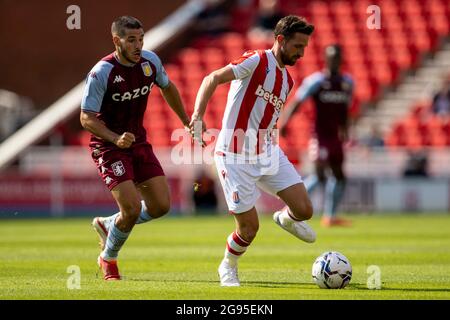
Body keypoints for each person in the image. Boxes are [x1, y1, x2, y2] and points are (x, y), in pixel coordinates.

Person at [189, 15, 316, 287]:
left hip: (267, 153)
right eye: (297, 46)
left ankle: (286, 218)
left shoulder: (287, 81)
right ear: (280, 40)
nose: (301, 52)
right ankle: (228, 266)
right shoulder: (257, 60)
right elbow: (212, 78)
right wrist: (198, 116)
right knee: (249, 229)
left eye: (305, 47)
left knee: (304, 209)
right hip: (234, 157)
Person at [80, 16, 190, 280]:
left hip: (138, 142)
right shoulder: (102, 72)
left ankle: (110, 224)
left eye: (141, 38)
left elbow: (168, 87)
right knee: (129, 208)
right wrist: (114, 138)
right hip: (109, 146)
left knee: (161, 206)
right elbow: (86, 118)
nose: (138, 45)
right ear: (116, 41)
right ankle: (109, 258)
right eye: (131, 40)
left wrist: (187, 120)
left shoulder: (150, 62)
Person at [279, 44, 354, 227]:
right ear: (326, 59)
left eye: (338, 57)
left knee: (340, 176)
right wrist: (284, 123)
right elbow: (298, 101)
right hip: (320, 137)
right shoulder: (316, 81)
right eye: (332, 57)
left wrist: (345, 130)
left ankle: (330, 216)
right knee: (320, 175)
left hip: (335, 138)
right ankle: (288, 209)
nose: (335, 60)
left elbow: (344, 109)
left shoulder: (348, 82)